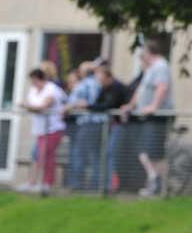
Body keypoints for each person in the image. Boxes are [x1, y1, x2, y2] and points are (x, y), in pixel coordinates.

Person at [120, 39, 174, 197]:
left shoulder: (161, 66)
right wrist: (130, 106)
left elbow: (162, 87)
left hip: (157, 116)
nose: (141, 54)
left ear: (149, 51)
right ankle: (156, 180)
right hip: (147, 116)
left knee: (153, 152)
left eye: (143, 51)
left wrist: (154, 106)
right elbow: (141, 90)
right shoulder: (150, 68)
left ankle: (159, 184)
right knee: (145, 152)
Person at [21, 68, 66, 195]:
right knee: (42, 156)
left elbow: (43, 106)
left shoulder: (52, 89)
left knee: (42, 155)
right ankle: (41, 183)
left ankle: (40, 183)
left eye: (35, 81)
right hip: (40, 130)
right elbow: (31, 104)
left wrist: (29, 106)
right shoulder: (33, 90)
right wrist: (30, 106)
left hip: (53, 129)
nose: (33, 84)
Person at [63, 60, 103, 192]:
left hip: (88, 123)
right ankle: (95, 184)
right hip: (98, 123)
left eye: (80, 70)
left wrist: (65, 108)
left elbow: (77, 103)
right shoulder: (98, 83)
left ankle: (78, 184)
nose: (79, 72)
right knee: (95, 154)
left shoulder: (84, 85)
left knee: (80, 153)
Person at [89, 64, 128, 192]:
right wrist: (92, 106)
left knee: (111, 153)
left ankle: (112, 184)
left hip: (121, 125)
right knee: (105, 153)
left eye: (101, 80)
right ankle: (103, 183)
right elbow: (97, 103)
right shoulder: (104, 88)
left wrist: (89, 106)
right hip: (110, 126)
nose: (100, 83)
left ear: (108, 77)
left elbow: (108, 105)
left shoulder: (116, 87)